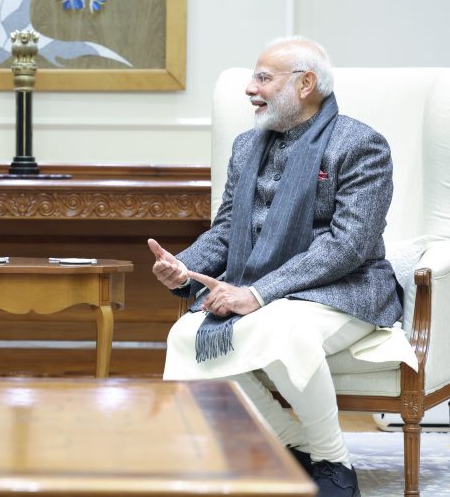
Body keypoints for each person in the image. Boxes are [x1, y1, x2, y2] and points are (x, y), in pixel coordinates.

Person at [148, 37, 415, 497]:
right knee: (186, 335)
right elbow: (228, 229)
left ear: (306, 84)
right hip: (260, 289)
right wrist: (183, 267)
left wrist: (257, 293)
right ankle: (292, 449)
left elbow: (347, 246)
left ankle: (334, 463)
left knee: (282, 326)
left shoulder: (361, 145)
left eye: (263, 78)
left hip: (344, 290)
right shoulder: (246, 146)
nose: (251, 88)